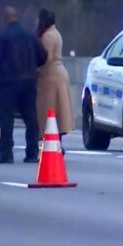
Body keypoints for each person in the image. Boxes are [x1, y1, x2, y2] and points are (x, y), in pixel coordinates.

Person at [0, 6, 48, 164]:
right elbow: (43, 54)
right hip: (28, 81)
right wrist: (32, 66)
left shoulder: (2, 37)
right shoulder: (30, 35)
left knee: (6, 119)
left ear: (5, 18)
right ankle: (32, 153)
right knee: (31, 118)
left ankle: (6, 153)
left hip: (8, 82)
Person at [35, 9, 73, 150]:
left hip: (50, 77)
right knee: (58, 113)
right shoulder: (56, 33)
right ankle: (57, 143)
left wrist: (36, 71)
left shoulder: (47, 37)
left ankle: (51, 142)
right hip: (59, 74)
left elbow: (46, 58)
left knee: (48, 112)